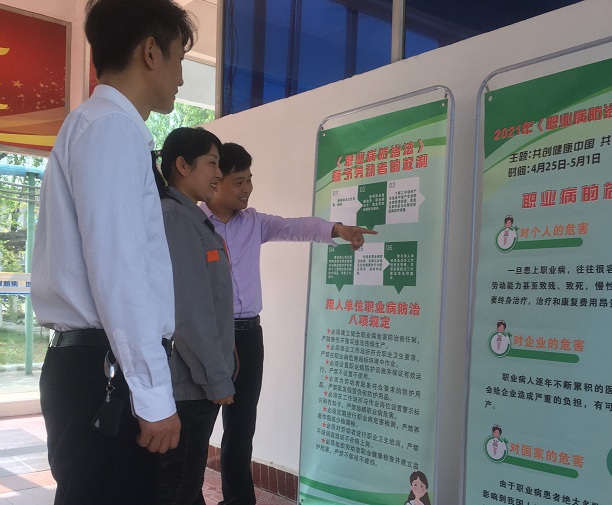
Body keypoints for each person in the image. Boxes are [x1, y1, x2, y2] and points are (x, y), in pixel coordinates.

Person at [32, 1, 195, 504]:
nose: (181, 78)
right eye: (179, 59)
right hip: (106, 370)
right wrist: (152, 395)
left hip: (98, 364)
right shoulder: (111, 128)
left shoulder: (97, 125)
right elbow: (120, 271)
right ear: (151, 52)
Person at [200, 142, 377, 505]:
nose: (247, 188)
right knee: (199, 424)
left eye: (250, 179)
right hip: (209, 337)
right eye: (239, 181)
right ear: (216, 181)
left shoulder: (254, 223)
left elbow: (295, 227)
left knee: (241, 428)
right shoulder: (195, 222)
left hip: (248, 336)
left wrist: (337, 229)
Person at [155, 127, 236, 505]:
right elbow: (188, 312)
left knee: (185, 486)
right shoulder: (175, 219)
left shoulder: (190, 218)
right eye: (212, 163)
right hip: (188, 387)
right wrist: (217, 379)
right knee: (180, 488)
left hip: (194, 382)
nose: (218, 173)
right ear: (182, 166)